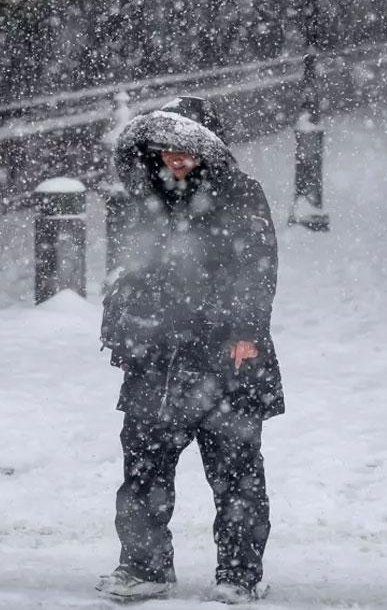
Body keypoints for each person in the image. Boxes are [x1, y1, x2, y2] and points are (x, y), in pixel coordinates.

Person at [96, 110, 283, 605]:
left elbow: (258, 264)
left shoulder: (240, 193)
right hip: (156, 358)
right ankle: (144, 567)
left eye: (185, 150)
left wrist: (246, 331)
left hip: (225, 359)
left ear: (207, 149)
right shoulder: (142, 197)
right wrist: (120, 334)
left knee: (236, 473)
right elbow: (124, 271)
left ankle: (239, 574)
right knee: (143, 471)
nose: (175, 159)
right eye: (166, 149)